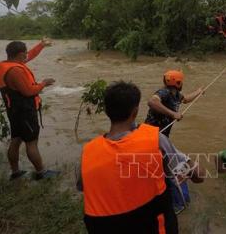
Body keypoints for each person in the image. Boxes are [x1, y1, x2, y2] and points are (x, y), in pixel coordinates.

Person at [78, 81, 204, 234]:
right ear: (135, 112)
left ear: (106, 111)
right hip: (150, 225)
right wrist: (192, 164)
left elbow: (82, 187)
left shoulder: (88, 151)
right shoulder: (155, 139)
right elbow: (197, 176)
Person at [0, 38, 59, 180]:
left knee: (16, 140)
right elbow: (28, 91)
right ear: (19, 55)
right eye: (24, 53)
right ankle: (41, 173)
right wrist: (44, 83)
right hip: (24, 112)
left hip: (13, 110)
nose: (27, 55)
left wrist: (41, 45)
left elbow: (30, 55)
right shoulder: (15, 71)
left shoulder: (6, 64)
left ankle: (15, 172)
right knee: (31, 143)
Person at [145, 70, 203, 137]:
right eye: (181, 81)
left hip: (161, 135)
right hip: (151, 134)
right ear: (178, 83)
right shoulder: (164, 92)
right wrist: (173, 114)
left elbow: (186, 99)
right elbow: (152, 102)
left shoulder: (176, 94)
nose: (182, 83)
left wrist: (198, 92)